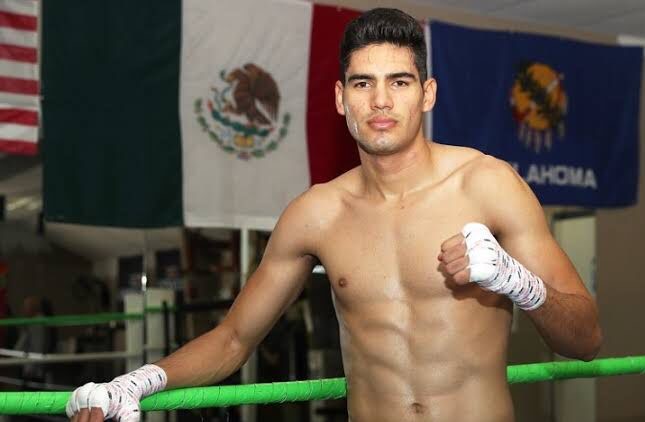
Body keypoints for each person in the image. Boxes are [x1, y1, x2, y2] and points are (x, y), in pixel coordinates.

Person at [67, 8, 601, 422]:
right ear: (342, 98)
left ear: (428, 94)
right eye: (363, 83)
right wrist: (137, 382)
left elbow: (584, 340)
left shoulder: (488, 185)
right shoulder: (315, 215)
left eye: (400, 81)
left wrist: (518, 282)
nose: (381, 101)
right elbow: (233, 339)